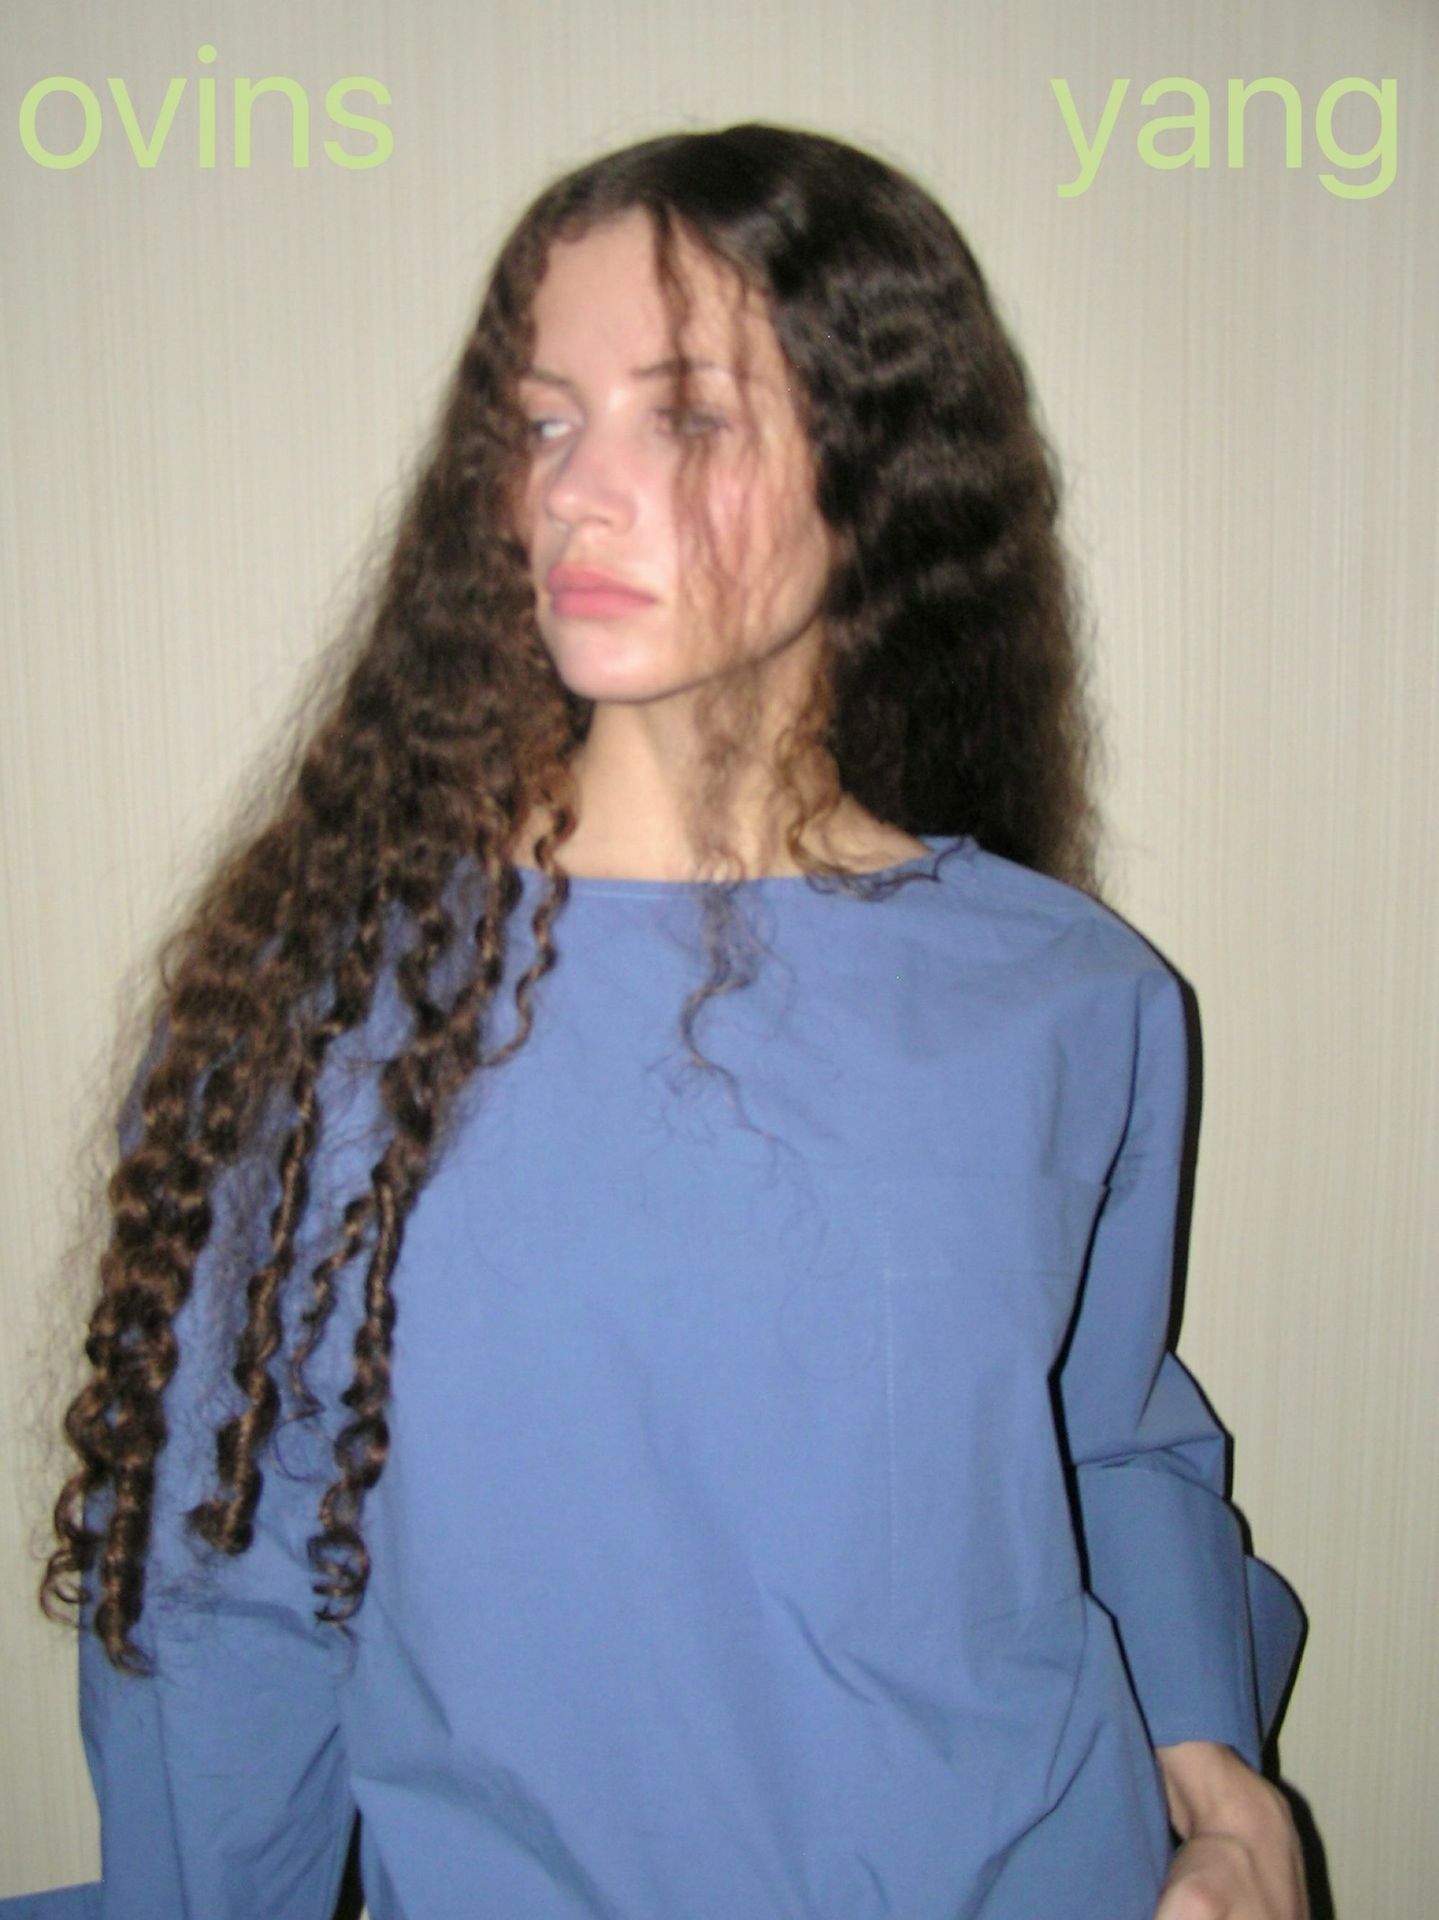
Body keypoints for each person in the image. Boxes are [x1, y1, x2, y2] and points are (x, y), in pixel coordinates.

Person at [37, 123, 1308, 1919]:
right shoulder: (336, 1021)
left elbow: (1108, 1440)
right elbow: (221, 1595)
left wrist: (1222, 1784)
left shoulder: (1070, 998)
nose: (577, 491)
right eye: (545, 423)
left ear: (881, 471)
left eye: (688, 416)